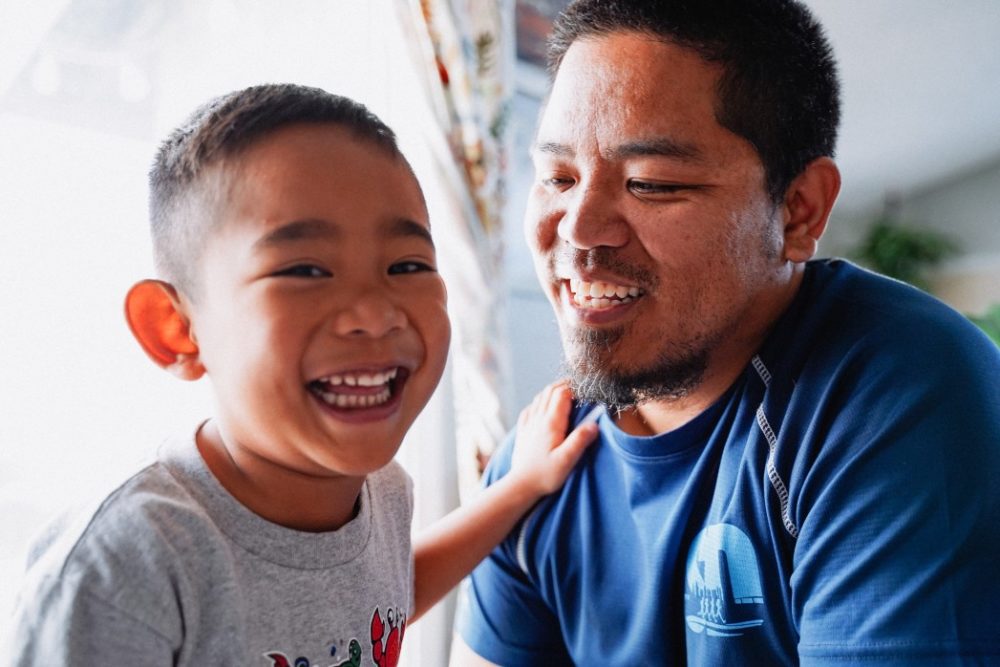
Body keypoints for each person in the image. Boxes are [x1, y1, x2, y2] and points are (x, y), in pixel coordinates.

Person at [453, 0, 1000, 665]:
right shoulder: (539, 461)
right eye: (558, 177)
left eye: (650, 183)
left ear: (798, 211)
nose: (578, 227)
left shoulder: (897, 389)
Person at [5, 83, 598, 665]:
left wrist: (523, 485)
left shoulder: (384, 491)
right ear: (176, 328)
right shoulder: (123, 565)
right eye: (306, 270)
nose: (374, 313)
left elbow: (377, 603)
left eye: (407, 264)